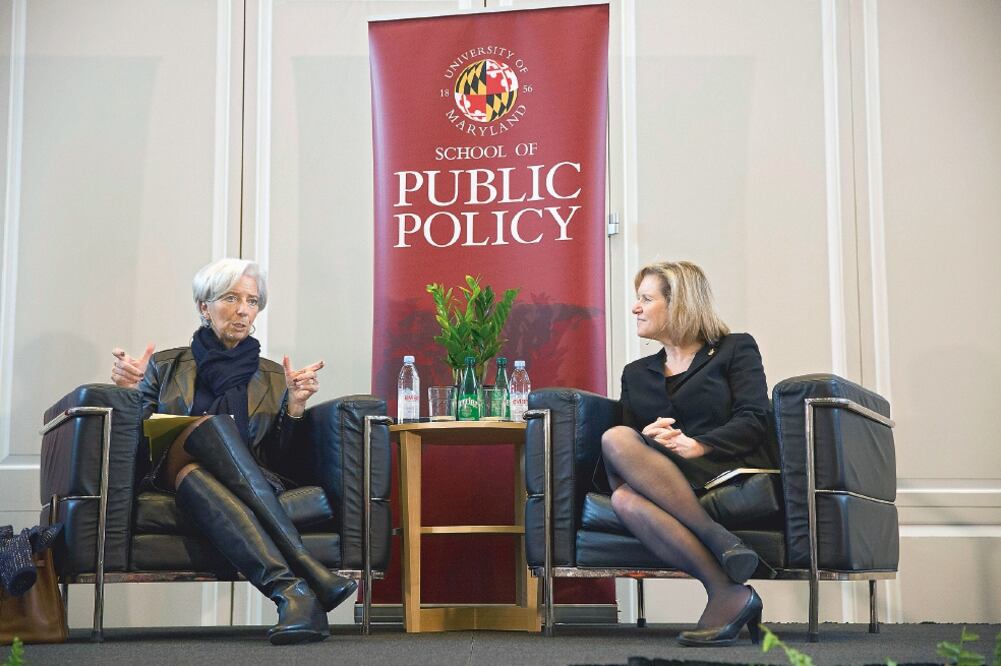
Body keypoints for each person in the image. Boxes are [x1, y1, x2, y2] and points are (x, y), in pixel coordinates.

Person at [110, 258, 356, 645]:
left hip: (226, 481)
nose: (243, 310)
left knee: (197, 478)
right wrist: (127, 393)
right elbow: (135, 440)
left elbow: (278, 459)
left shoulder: (274, 376)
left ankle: (294, 593)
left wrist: (293, 406)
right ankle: (310, 568)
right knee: (209, 427)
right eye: (230, 298)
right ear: (203, 306)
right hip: (165, 470)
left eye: (252, 301)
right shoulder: (165, 366)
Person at [601, 261, 772, 647]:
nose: (635, 308)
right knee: (620, 452)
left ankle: (722, 577)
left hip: (713, 467)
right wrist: (646, 436)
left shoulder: (734, 350)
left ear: (678, 304)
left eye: (646, 299)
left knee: (622, 480)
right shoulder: (636, 372)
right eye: (637, 299)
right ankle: (723, 565)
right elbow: (631, 442)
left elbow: (754, 419)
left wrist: (700, 444)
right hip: (658, 473)